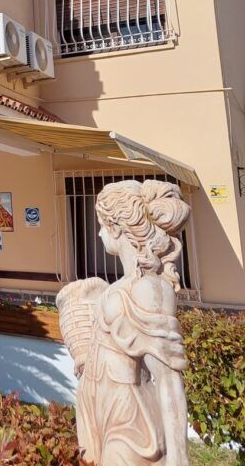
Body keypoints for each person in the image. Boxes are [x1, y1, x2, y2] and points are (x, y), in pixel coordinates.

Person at [57, 180, 190, 466]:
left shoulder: (148, 288)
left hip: (130, 421)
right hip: (100, 408)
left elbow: (168, 379)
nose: (101, 233)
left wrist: (179, 458)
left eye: (103, 225)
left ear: (117, 226)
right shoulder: (119, 286)